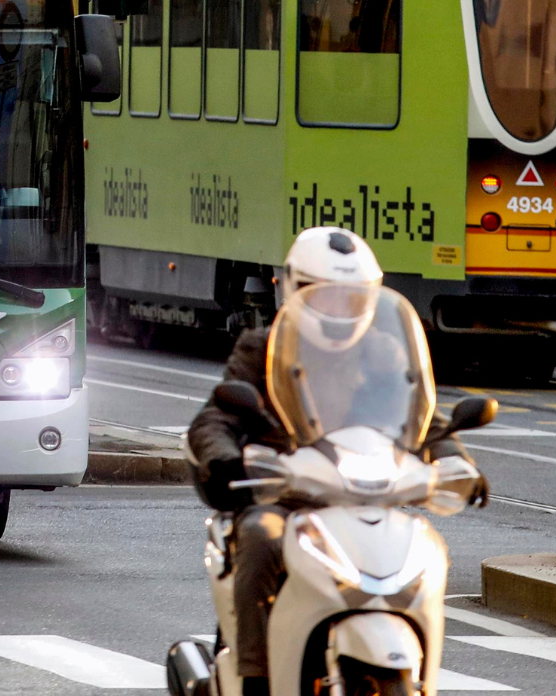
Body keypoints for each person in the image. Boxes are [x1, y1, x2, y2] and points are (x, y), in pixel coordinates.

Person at [187, 227, 488, 696]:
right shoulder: (260, 347)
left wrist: (456, 462)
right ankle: (255, 677)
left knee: (423, 546)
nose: (337, 308)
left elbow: (423, 421)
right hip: (284, 491)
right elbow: (217, 417)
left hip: (364, 494)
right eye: (321, 295)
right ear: (291, 288)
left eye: (351, 297)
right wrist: (224, 459)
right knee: (260, 536)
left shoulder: (382, 351)